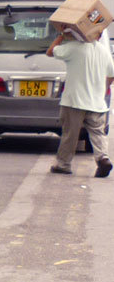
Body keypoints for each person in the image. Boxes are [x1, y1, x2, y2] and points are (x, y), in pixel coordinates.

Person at [45, 29, 114, 176]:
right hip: (97, 102)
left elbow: (50, 52)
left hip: (74, 101)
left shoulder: (74, 48)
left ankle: (63, 164)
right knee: (98, 133)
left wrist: (62, 36)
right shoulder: (103, 51)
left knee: (70, 134)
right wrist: (102, 90)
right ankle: (103, 158)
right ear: (99, 36)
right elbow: (111, 74)